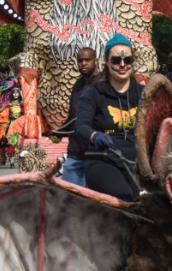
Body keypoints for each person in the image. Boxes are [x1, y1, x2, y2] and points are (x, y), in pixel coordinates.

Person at [76, 34, 144, 203]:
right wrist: (95, 136)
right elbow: (81, 126)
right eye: (116, 60)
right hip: (104, 160)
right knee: (124, 198)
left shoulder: (144, 93)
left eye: (127, 60)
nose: (122, 65)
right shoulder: (93, 93)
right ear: (106, 61)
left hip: (139, 163)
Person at [61, 47, 99, 186]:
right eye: (80, 60)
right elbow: (74, 116)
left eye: (87, 60)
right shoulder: (77, 85)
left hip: (96, 155)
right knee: (68, 203)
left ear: (96, 61)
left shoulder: (103, 84)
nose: (83, 63)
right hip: (75, 154)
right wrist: (59, 132)